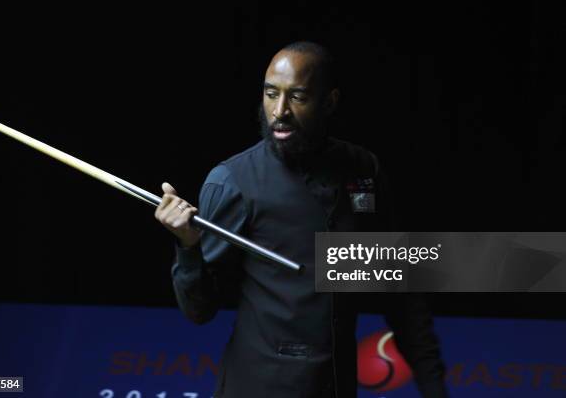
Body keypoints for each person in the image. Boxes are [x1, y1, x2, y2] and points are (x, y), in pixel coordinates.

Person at [155, 41, 448, 398]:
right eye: (270, 94)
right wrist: (187, 245)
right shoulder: (232, 182)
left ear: (330, 101)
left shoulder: (363, 169)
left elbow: (400, 294)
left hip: (336, 387)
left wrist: (433, 385)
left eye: (298, 97)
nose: (279, 111)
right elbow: (199, 310)